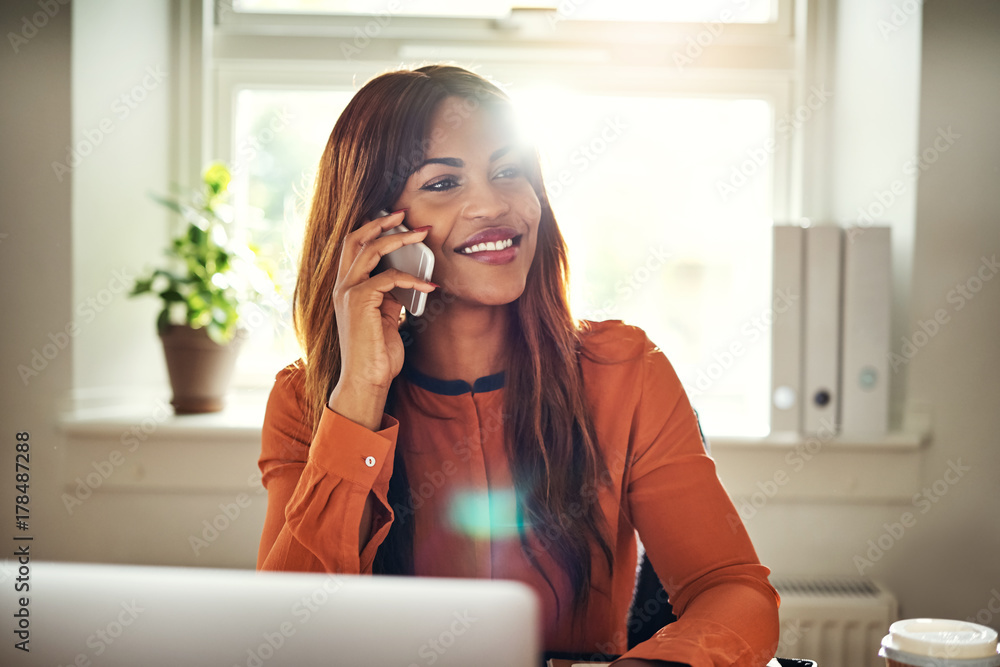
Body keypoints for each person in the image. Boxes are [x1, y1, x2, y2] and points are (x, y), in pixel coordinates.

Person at [256, 64, 780, 666]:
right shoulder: (307, 401)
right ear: (377, 230)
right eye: (443, 184)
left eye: (509, 171)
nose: (494, 204)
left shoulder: (625, 370)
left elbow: (734, 590)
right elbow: (284, 637)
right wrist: (360, 395)